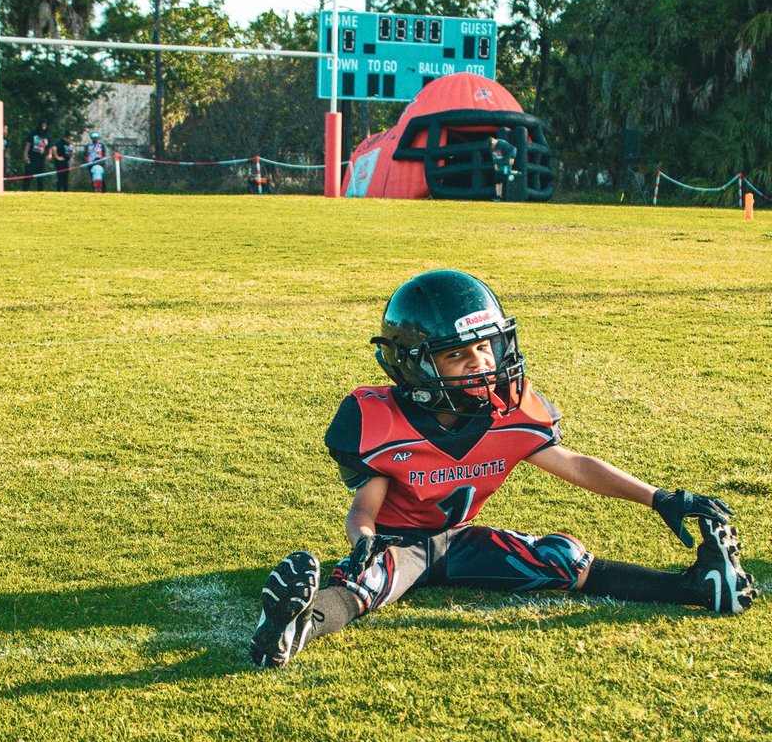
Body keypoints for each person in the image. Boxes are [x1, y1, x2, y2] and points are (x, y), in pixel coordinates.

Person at [250, 269, 756, 668]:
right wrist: (364, 541)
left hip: (460, 540)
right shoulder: (380, 420)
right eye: (455, 355)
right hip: (399, 545)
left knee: (563, 558)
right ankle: (296, 628)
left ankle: (695, 587)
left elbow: (575, 465)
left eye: (482, 346)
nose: (478, 362)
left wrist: (658, 497)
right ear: (414, 365)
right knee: (370, 583)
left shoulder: (508, 410)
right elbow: (366, 507)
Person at [22, 119, 51, 190]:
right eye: (42, 125)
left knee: (40, 177)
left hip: (41, 158)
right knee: (28, 175)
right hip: (31, 157)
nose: (44, 126)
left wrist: (49, 154)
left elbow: (49, 147)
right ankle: (25, 190)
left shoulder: (47, 136)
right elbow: (28, 144)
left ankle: (40, 191)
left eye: (45, 125)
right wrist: (25, 154)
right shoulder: (33, 134)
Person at [489, 132, 517, 201]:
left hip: (505, 165)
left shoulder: (502, 143)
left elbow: (513, 149)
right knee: (497, 180)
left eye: (492, 145)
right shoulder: (491, 147)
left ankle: (506, 195)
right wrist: (495, 164)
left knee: (504, 178)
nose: (492, 147)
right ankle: (498, 196)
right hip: (499, 165)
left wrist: (512, 158)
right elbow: (494, 156)